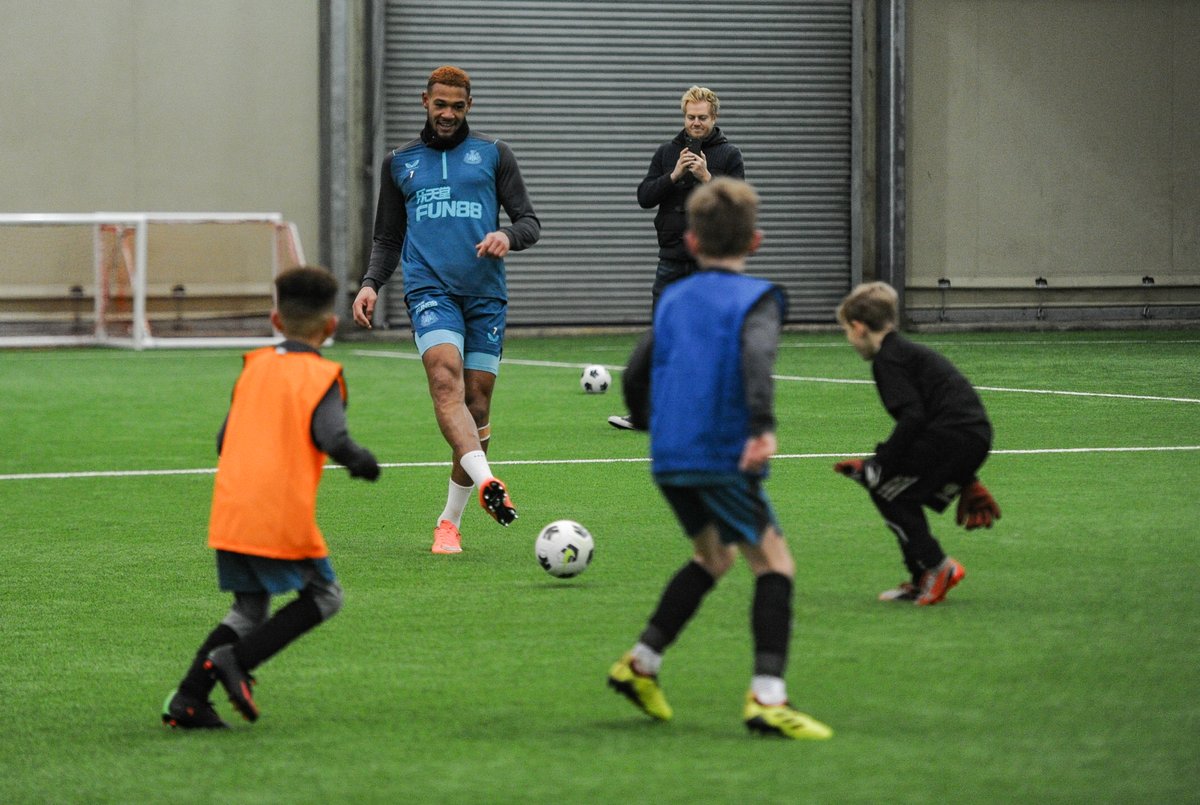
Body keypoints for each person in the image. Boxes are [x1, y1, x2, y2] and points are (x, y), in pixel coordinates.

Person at [606, 178, 832, 740]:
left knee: (714, 558)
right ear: (755, 241)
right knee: (774, 564)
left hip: (670, 456)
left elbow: (636, 372)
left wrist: (649, 421)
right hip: (722, 454)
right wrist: (761, 428)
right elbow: (757, 358)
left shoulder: (673, 298)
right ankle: (767, 698)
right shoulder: (759, 298)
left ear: (689, 241)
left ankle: (641, 664)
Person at [162, 265, 381, 729]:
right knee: (325, 596)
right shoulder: (321, 376)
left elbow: (224, 440)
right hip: (277, 515)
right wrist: (362, 462)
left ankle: (188, 699)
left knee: (250, 608)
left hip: (231, 511)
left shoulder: (253, 367)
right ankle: (235, 661)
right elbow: (332, 437)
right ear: (331, 326)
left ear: (275, 321)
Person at [351, 65, 540, 554]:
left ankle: (448, 521)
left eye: (458, 106)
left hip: (485, 296)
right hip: (429, 290)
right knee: (443, 379)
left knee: (476, 405)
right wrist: (371, 283)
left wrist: (507, 236)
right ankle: (488, 482)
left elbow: (529, 222)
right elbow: (388, 237)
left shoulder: (494, 155)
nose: (449, 114)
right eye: (441, 105)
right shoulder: (400, 163)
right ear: (425, 102)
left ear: (469, 106)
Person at [832, 281, 1001, 606]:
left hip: (956, 436)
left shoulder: (888, 360)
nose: (849, 339)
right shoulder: (903, 352)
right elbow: (934, 417)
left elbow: (913, 419)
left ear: (858, 328)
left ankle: (938, 567)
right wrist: (967, 477)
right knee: (889, 489)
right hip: (968, 436)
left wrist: (878, 465)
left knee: (883, 486)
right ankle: (922, 576)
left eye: (846, 331)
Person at [609, 86, 745, 431]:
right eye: (690, 117)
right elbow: (644, 196)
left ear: (713, 118)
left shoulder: (729, 155)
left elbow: (737, 206)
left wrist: (705, 178)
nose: (695, 123)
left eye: (702, 118)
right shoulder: (667, 152)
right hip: (670, 258)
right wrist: (673, 176)